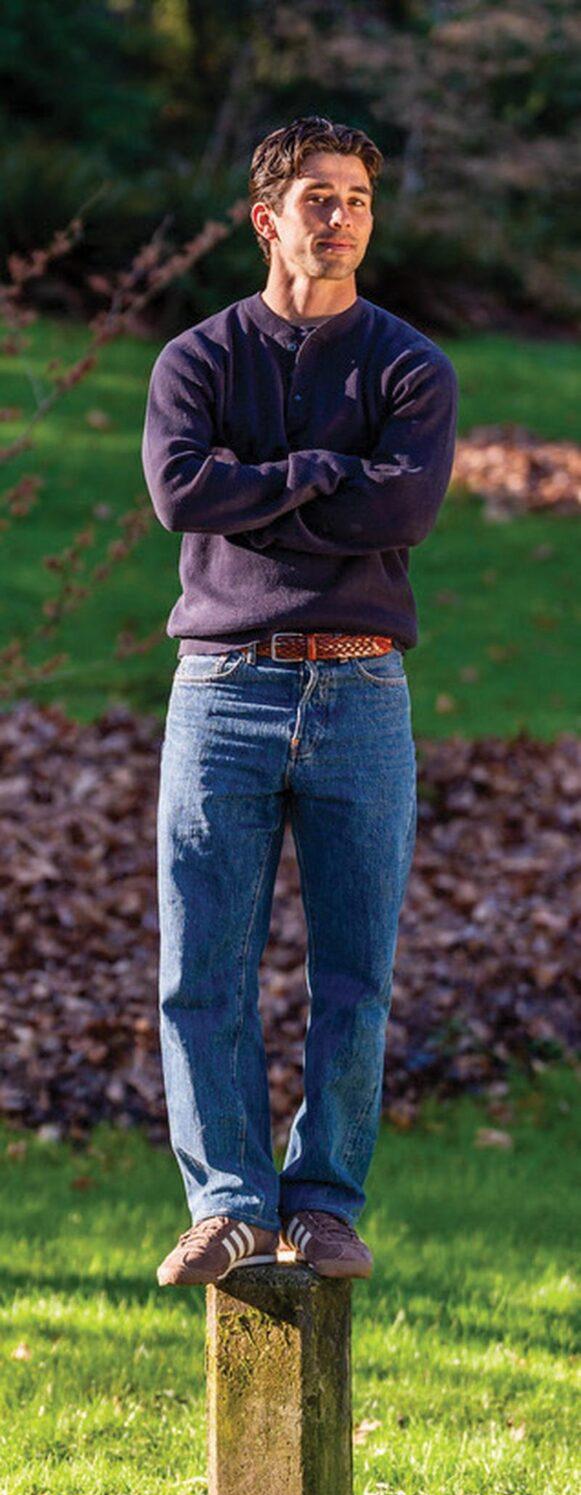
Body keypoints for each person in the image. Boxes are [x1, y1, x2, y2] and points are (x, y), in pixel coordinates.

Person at [141, 114, 458, 1288]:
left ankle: (322, 1202)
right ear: (266, 217)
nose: (341, 217)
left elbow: (402, 514)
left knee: (354, 973)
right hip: (219, 690)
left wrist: (259, 493)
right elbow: (180, 491)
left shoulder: (409, 367)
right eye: (317, 198)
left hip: (361, 688)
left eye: (359, 199)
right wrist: (328, 472)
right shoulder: (197, 361)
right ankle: (224, 1202)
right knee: (201, 967)